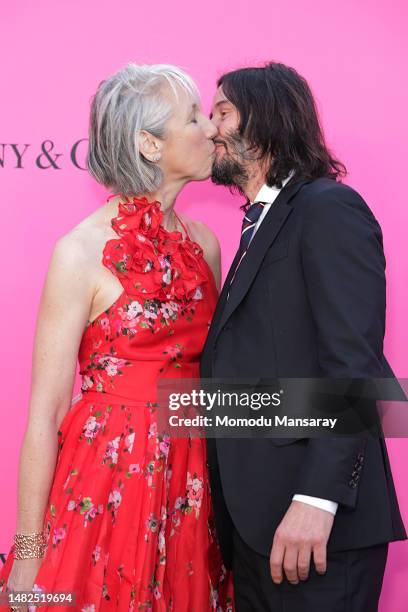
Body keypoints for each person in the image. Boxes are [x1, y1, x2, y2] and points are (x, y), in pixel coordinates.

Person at [0, 63, 234, 611]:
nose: (210, 130)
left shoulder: (207, 244)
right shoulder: (80, 252)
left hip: (197, 477)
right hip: (111, 481)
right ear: (150, 144)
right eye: (193, 118)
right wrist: (29, 550)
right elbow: (47, 409)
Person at [201, 62, 407, 611]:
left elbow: (354, 365)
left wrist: (317, 499)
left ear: (265, 121)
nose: (209, 128)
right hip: (255, 531)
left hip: (317, 529)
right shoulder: (255, 227)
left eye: (222, 112)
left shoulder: (326, 208)